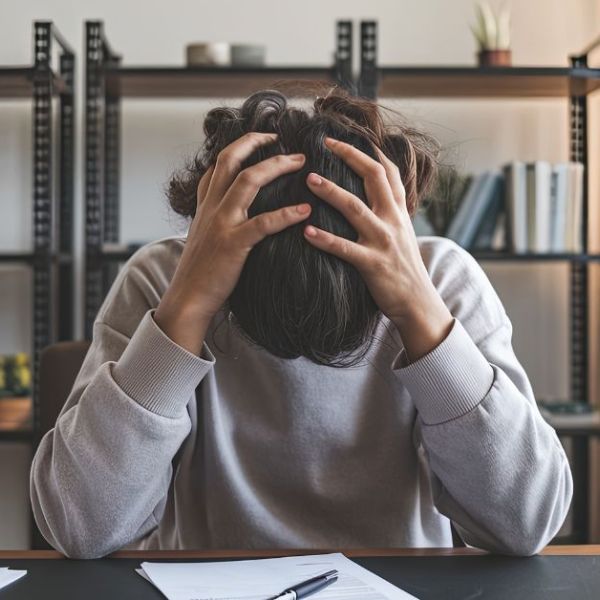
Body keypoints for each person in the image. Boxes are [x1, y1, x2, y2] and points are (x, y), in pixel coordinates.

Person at [30, 87, 572, 559]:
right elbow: (79, 527)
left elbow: (525, 523)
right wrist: (186, 310)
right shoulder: (164, 281)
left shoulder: (440, 281)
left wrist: (420, 315)